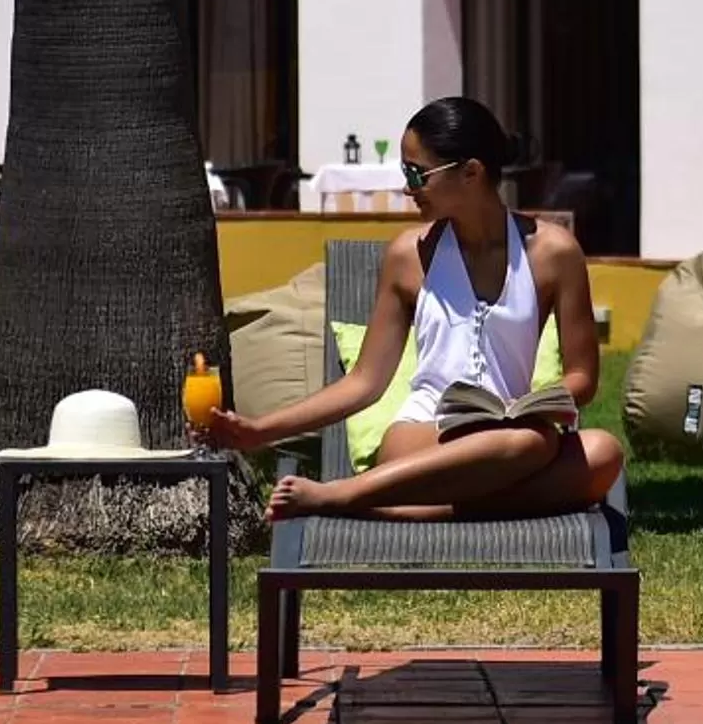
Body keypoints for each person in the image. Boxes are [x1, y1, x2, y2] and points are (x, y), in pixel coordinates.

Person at [201, 97, 626, 522]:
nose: (407, 187)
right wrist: (260, 431)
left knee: (602, 452)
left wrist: (534, 404)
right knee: (531, 446)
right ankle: (355, 495)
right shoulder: (408, 255)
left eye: (416, 173)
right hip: (424, 437)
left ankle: (379, 505)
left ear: (471, 173)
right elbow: (365, 382)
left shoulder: (553, 253)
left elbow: (583, 377)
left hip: (511, 429)